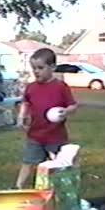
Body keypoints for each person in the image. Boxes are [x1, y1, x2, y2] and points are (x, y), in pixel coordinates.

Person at [14, 48, 78, 189]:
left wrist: (66, 111)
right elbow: (26, 102)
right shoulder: (31, 87)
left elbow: (73, 106)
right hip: (35, 134)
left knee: (58, 163)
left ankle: (61, 187)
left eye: (40, 68)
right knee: (28, 161)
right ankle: (18, 186)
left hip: (55, 135)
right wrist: (22, 115)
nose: (36, 71)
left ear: (52, 67)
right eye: (34, 68)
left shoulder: (60, 87)